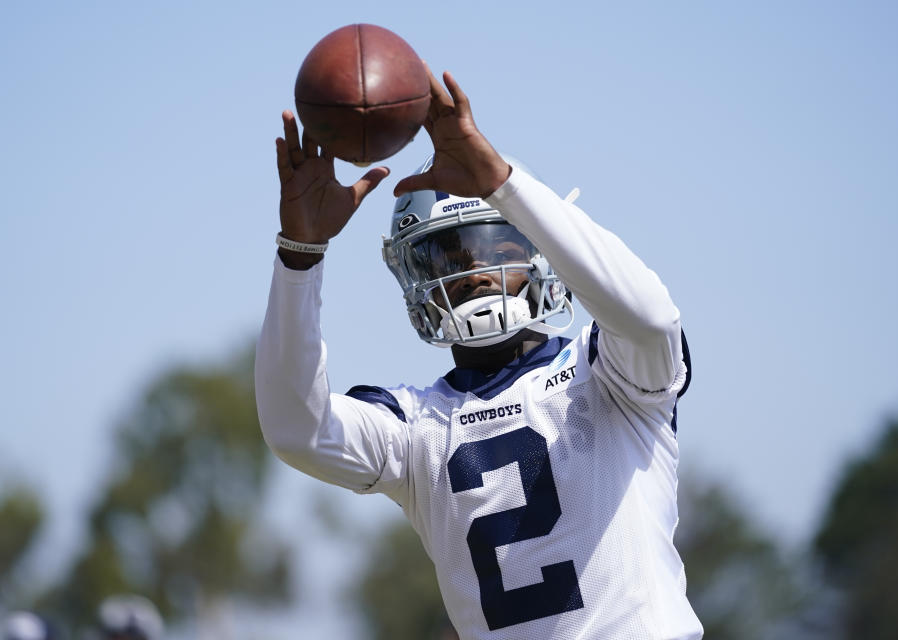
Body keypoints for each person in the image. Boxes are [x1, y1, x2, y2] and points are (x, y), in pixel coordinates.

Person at [255, 65, 703, 640]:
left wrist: (501, 182)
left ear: (542, 252)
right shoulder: (416, 425)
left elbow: (649, 317)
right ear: (413, 274)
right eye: (446, 255)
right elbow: (295, 428)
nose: (470, 270)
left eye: (494, 243)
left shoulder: (607, 374)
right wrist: (301, 253)